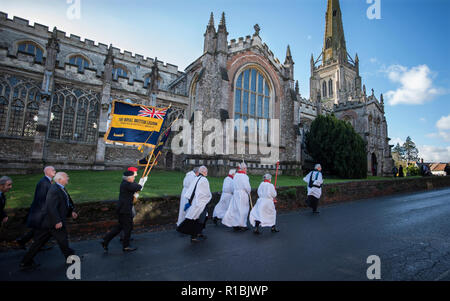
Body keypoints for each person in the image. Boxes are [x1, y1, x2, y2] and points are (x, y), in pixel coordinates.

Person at [20, 172, 79, 270]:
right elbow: (51, 207)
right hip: (53, 222)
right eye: (66, 177)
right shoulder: (54, 189)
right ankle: (71, 258)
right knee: (62, 240)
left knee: (39, 242)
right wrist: (57, 221)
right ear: (60, 179)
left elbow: (64, 203)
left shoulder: (60, 188)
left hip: (48, 223)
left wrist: (71, 212)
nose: (68, 178)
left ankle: (25, 261)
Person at [101, 170, 142, 253]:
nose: (134, 178)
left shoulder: (125, 183)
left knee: (120, 227)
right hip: (125, 210)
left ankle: (106, 240)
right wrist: (141, 182)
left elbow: (136, 186)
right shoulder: (127, 184)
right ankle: (126, 246)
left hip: (122, 209)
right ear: (129, 178)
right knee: (128, 227)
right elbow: (139, 187)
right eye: (133, 177)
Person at [16, 166, 56, 250]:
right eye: (53, 170)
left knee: (38, 230)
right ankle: (36, 247)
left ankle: (23, 241)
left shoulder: (47, 182)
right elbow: (41, 199)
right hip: (40, 212)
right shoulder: (44, 182)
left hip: (41, 212)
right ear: (47, 171)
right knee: (42, 230)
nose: (55, 171)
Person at [177, 166, 212, 243]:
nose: (207, 173)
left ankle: (198, 233)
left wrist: (191, 201)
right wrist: (208, 198)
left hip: (196, 202)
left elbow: (191, 191)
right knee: (198, 219)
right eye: (206, 171)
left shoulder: (196, 178)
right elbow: (206, 193)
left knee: (199, 218)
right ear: (204, 172)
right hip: (201, 203)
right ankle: (194, 236)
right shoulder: (204, 180)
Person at [222, 162, 251, 231]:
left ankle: (235, 224)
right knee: (243, 209)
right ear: (244, 169)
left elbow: (233, 185)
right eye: (246, 168)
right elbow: (247, 186)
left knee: (236, 209)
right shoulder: (245, 176)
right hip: (242, 194)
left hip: (236, 194)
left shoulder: (236, 175)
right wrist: (249, 191)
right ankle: (242, 224)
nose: (246, 170)